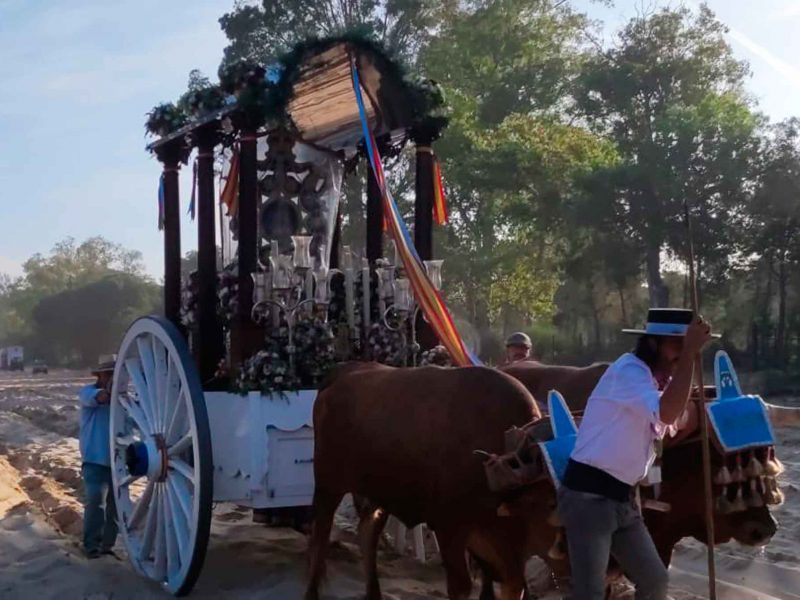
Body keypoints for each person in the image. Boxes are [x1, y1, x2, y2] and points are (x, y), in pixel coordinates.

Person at [558, 308, 713, 600]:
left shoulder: (659, 382)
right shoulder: (628, 371)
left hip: (623, 499)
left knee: (655, 581)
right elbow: (668, 413)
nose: (681, 353)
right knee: (590, 593)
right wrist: (690, 354)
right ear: (652, 343)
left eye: (686, 345)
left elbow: (676, 414)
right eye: (676, 345)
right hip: (589, 498)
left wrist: (688, 361)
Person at [79, 355, 119, 559]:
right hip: (94, 459)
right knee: (96, 501)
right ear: (100, 376)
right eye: (109, 374)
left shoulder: (124, 401)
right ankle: (91, 545)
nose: (113, 378)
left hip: (118, 462)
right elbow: (99, 398)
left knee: (115, 507)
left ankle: (107, 545)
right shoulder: (88, 392)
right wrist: (111, 392)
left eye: (116, 374)